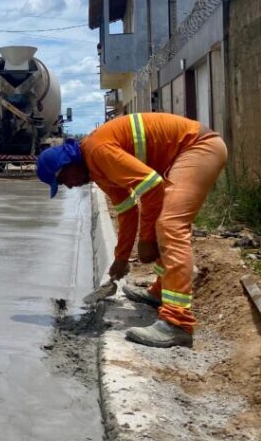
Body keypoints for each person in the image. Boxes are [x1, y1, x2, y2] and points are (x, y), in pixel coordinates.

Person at [36, 113, 227, 349]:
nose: (70, 186)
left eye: (64, 179)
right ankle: (160, 292)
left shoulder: (97, 151)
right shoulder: (96, 169)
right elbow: (127, 211)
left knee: (170, 224)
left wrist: (146, 240)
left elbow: (152, 187)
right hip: (186, 154)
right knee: (162, 219)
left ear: (67, 165)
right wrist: (120, 259)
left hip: (199, 148)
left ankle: (178, 323)